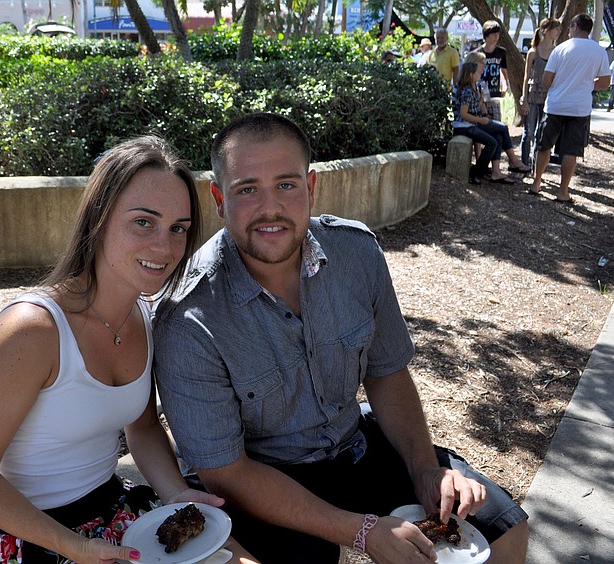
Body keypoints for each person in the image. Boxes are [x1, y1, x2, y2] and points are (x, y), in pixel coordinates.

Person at [153, 112, 530, 564]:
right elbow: (225, 472)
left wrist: (425, 469)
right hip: (260, 477)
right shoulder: (187, 315)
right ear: (219, 198)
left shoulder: (357, 253)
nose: (270, 208)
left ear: (311, 188)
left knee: (503, 533)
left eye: (287, 185)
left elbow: (387, 374)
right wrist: (363, 531)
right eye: (247, 189)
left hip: (353, 444)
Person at [0, 135, 256, 564]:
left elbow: (144, 427)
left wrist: (175, 494)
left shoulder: (144, 317)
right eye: (143, 222)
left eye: (178, 229)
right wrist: (75, 547)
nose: (165, 247)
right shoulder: (31, 330)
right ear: (99, 217)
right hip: (34, 536)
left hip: (114, 510)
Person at [531, 13, 611, 203]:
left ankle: (536, 183)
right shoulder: (599, 51)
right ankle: (563, 191)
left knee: (544, 146)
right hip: (580, 108)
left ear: (575, 26)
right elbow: (606, 82)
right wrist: (589, 85)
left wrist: (559, 85)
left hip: (555, 105)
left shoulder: (561, 49)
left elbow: (546, 79)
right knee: (570, 151)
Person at [520, 18, 561, 169]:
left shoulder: (557, 52)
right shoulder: (533, 52)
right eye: (555, 29)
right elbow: (525, 77)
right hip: (532, 95)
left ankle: (535, 167)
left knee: (541, 133)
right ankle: (523, 164)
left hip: (549, 97)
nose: (558, 32)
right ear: (546, 30)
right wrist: (524, 99)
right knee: (528, 132)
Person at [474, 20, 510, 123]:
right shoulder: (477, 53)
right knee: (482, 122)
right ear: (486, 35)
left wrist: (505, 85)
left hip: (494, 94)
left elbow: (503, 69)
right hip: (480, 94)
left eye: (497, 34)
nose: (496, 37)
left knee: (496, 123)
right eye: (493, 34)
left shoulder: (502, 52)